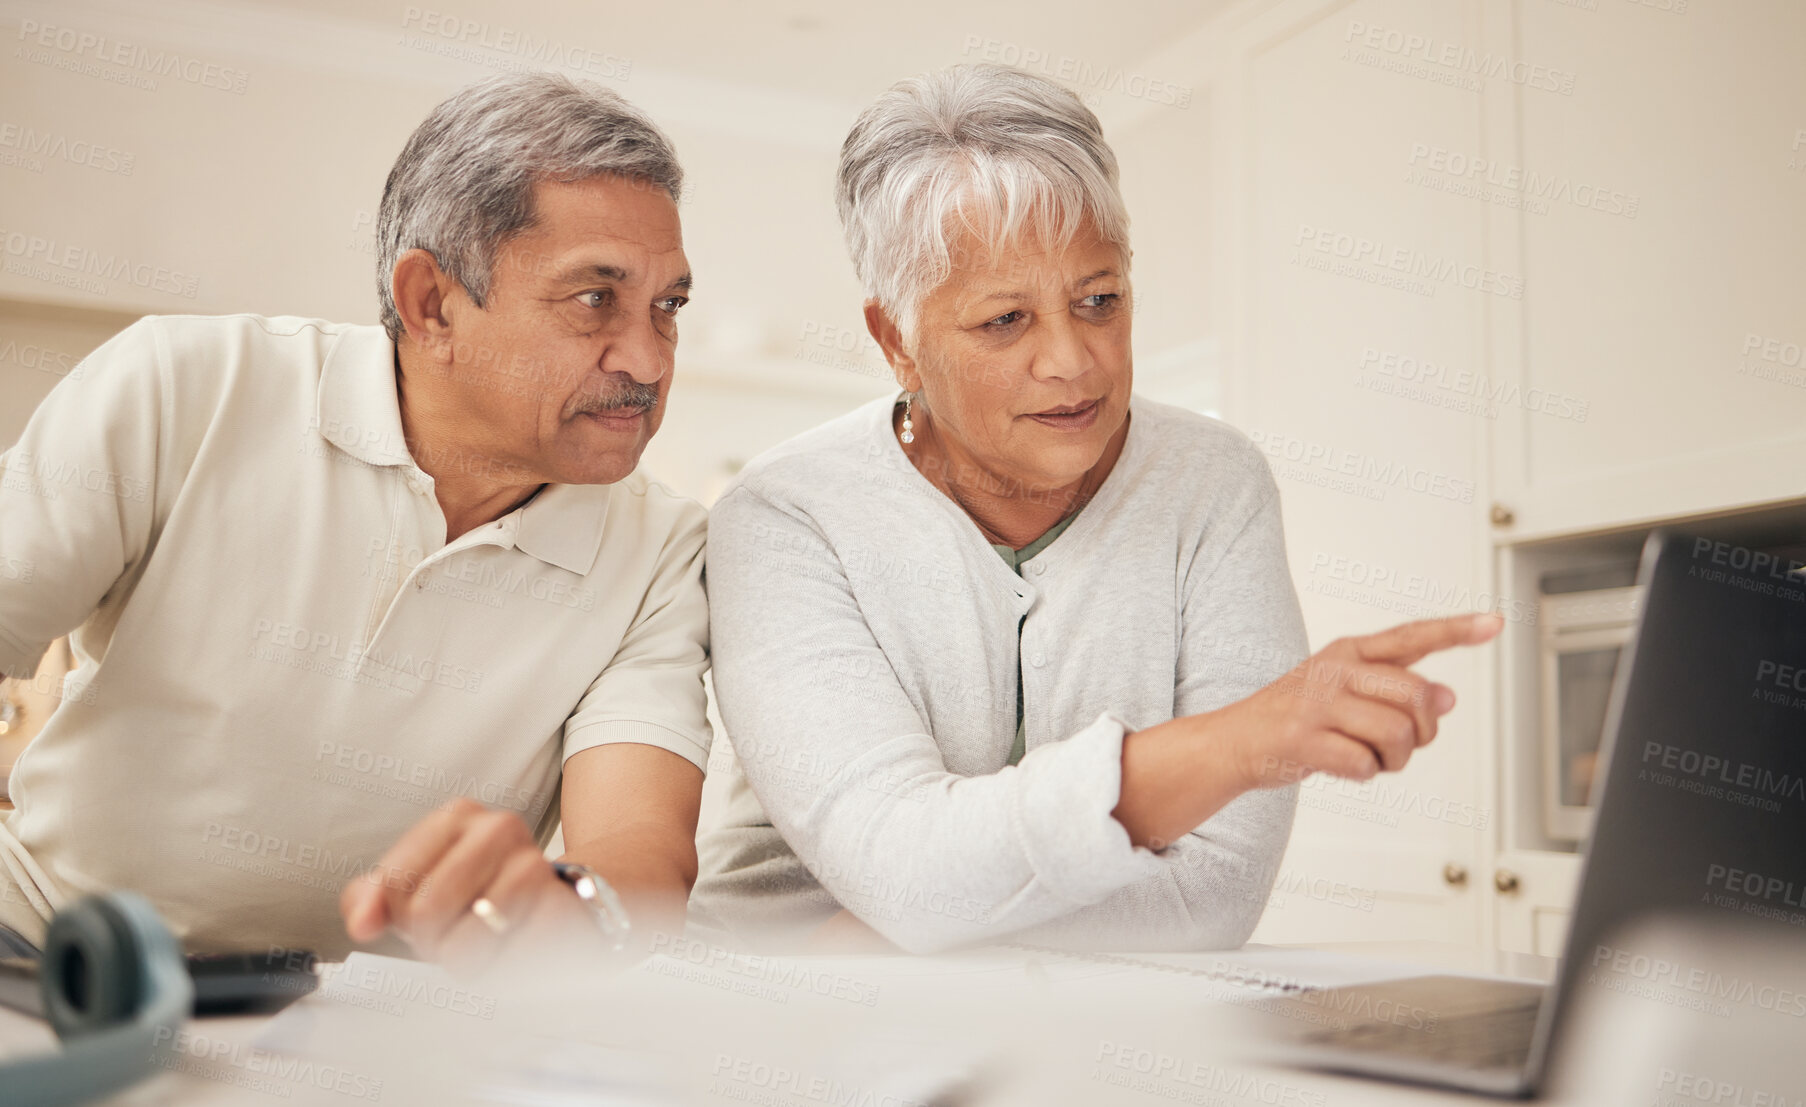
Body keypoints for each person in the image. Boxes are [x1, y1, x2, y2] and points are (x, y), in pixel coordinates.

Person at [691, 63, 1502, 954]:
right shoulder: (784, 515)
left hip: (1075, 1026)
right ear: (898, 341)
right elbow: (902, 872)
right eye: (1005, 320)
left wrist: (910, 920)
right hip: (788, 1026)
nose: (1073, 361)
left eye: (1099, 301)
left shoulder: (1214, 483)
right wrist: (1231, 745)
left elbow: (1216, 897)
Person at [0, 72, 710, 961]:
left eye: (668, 306)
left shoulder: (663, 548)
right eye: (594, 298)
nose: (647, 358)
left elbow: (638, 855)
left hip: (370, 1036)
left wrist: (572, 909)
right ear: (432, 304)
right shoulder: (185, 386)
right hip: (40, 948)